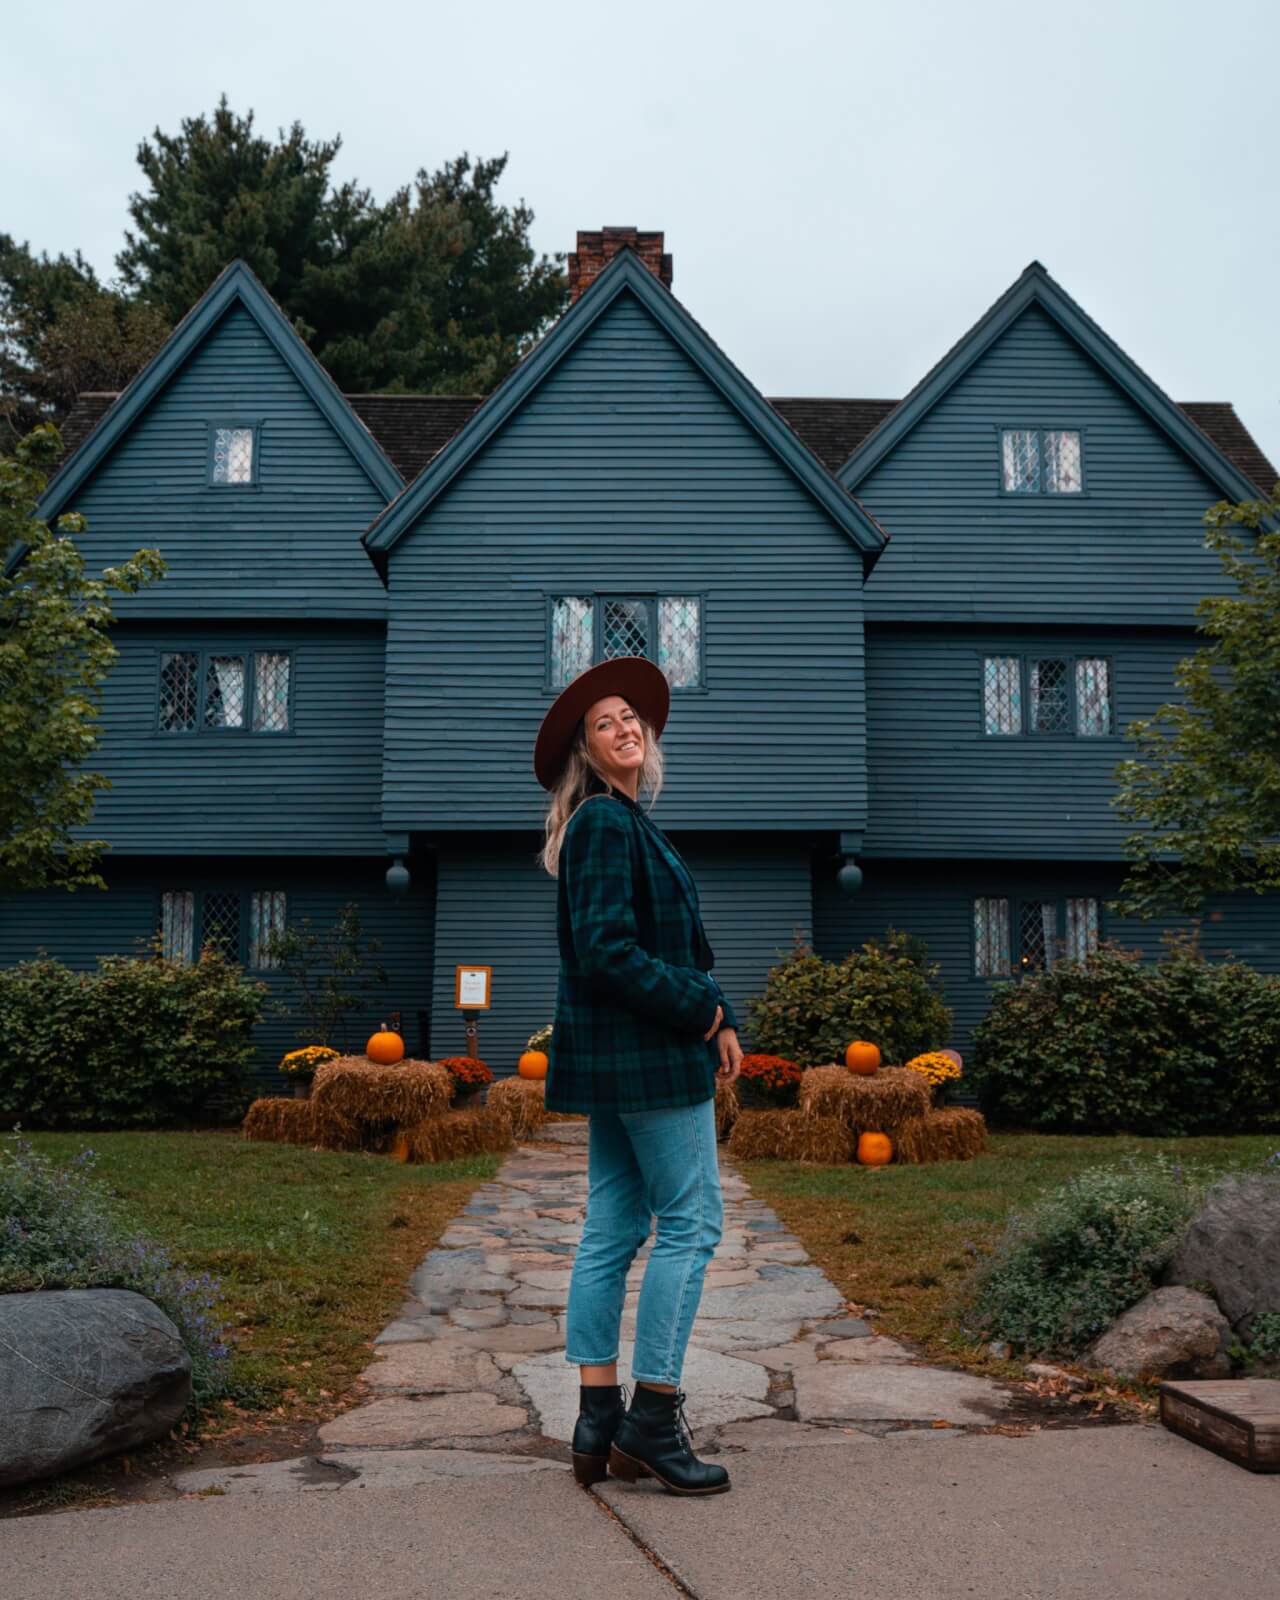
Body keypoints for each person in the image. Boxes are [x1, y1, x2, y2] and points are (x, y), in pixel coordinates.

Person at [534, 655, 744, 1497]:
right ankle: (652, 1418)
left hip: (627, 1056)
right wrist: (705, 1014)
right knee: (691, 1223)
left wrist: (714, 1008)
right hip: (650, 1057)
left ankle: (597, 1421)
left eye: (632, 718)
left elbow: (657, 951)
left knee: (615, 1226)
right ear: (586, 750)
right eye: (605, 722)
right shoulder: (603, 824)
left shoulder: (621, 821)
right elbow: (611, 953)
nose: (626, 727)